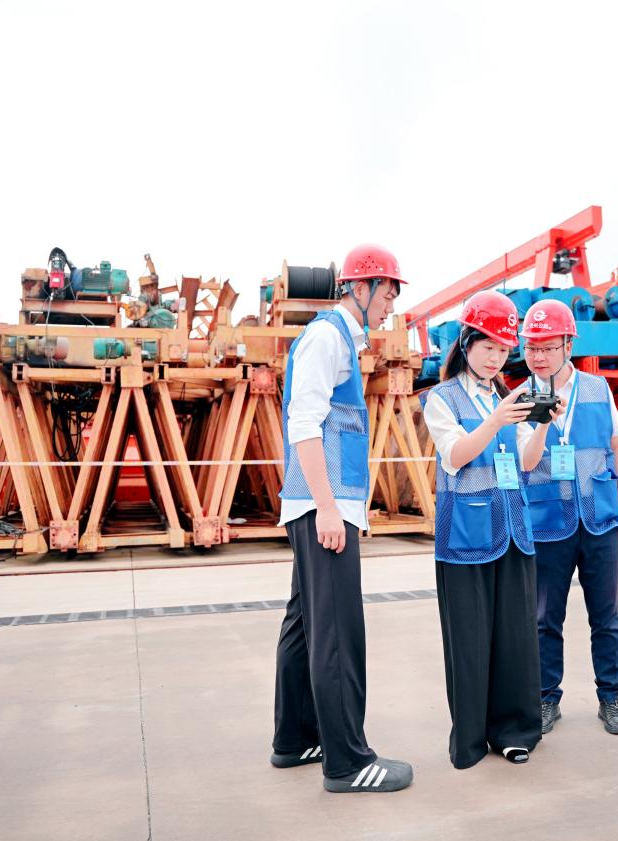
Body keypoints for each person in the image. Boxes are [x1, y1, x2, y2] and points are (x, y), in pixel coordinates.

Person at [271, 243, 413, 793]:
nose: (391, 304)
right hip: (320, 508)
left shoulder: (343, 342)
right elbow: (303, 423)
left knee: (305, 625)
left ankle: (295, 739)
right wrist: (329, 509)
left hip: (321, 505)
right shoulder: (327, 338)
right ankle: (348, 762)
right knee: (337, 633)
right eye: (388, 292)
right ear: (360, 287)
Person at [422, 290, 565, 768]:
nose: (495, 358)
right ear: (466, 343)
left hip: (513, 533)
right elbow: (455, 455)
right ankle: (469, 739)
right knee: (469, 642)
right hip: (465, 536)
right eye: (488, 347)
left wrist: (542, 425)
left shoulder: (509, 397)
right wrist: (495, 420)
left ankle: (516, 731)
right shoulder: (441, 399)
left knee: (515, 639)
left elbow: (526, 461)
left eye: (504, 350)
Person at [519, 299, 618, 736]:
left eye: (548, 347)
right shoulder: (521, 398)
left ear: (569, 345)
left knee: (605, 616)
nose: (538, 356)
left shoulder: (598, 390)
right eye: (532, 347)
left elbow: (617, 448)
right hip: (548, 523)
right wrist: (541, 419)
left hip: (599, 518)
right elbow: (527, 462)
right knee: (545, 619)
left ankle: (611, 699)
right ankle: (547, 699)